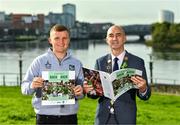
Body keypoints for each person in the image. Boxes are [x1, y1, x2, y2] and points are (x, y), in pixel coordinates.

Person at [84, 25, 151, 125]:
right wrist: (90, 91)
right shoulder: (100, 62)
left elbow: (145, 96)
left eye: (118, 35)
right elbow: (94, 95)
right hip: (103, 119)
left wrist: (143, 89)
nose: (114, 38)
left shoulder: (137, 62)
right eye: (111, 36)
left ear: (125, 38)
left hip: (126, 118)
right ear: (107, 40)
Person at [21, 24, 84, 125]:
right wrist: (32, 85)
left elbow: (81, 93)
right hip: (44, 118)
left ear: (69, 40)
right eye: (57, 38)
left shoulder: (77, 64)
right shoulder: (39, 62)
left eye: (64, 38)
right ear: (50, 40)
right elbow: (24, 88)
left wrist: (80, 92)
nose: (61, 42)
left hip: (69, 118)